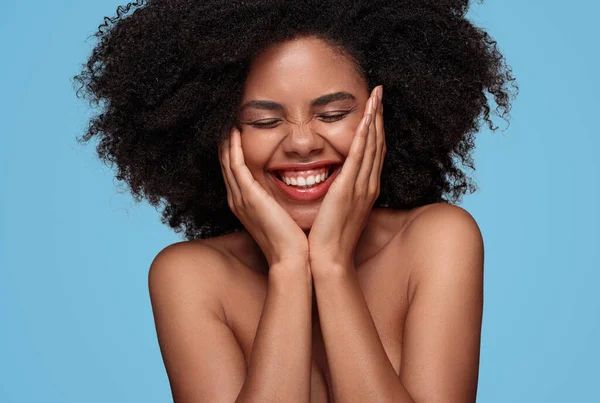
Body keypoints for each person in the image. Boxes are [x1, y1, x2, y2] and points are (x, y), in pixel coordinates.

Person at [75, 0, 516, 401]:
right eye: (265, 121)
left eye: (333, 115)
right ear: (218, 133)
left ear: (382, 113)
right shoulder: (190, 277)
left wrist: (331, 263)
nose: (302, 142)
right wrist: (288, 266)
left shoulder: (437, 239)